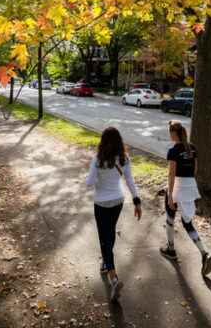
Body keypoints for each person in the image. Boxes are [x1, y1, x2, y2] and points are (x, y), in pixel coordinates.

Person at [86, 127, 142, 302]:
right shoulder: (124, 159)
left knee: (104, 237)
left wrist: (94, 175)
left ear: (102, 141)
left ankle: (114, 278)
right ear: (119, 141)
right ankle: (106, 262)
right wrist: (137, 200)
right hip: (118, 201)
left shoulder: (97, 160)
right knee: (109, 233)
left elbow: (89, 183)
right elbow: (130, 181)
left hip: (101, 202)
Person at [160, 120, 211, 276]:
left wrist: (170, 194)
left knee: (170, 218)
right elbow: (195, 170)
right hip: (190, 187)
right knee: (187, 222)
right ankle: (204, 253)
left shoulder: (173, 151)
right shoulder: (193, 149)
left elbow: (171, 174)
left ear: (173, 133)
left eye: (169, 132)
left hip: (177, 186)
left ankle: (171, 249)